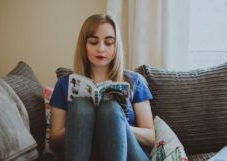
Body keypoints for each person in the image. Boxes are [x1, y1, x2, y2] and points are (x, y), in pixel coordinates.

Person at [49, 13, 155, 161]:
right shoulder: (64, 84)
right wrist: (81, 125)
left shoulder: (135, 81)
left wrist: (118, 124)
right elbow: (54, 141)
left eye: (109, 42)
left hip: (131, 156)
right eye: (93, 42)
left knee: (110, 110)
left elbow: (150, 137)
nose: (101, 49)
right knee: (81, 106)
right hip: (84, 152)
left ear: (116, 46)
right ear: (84, 45)